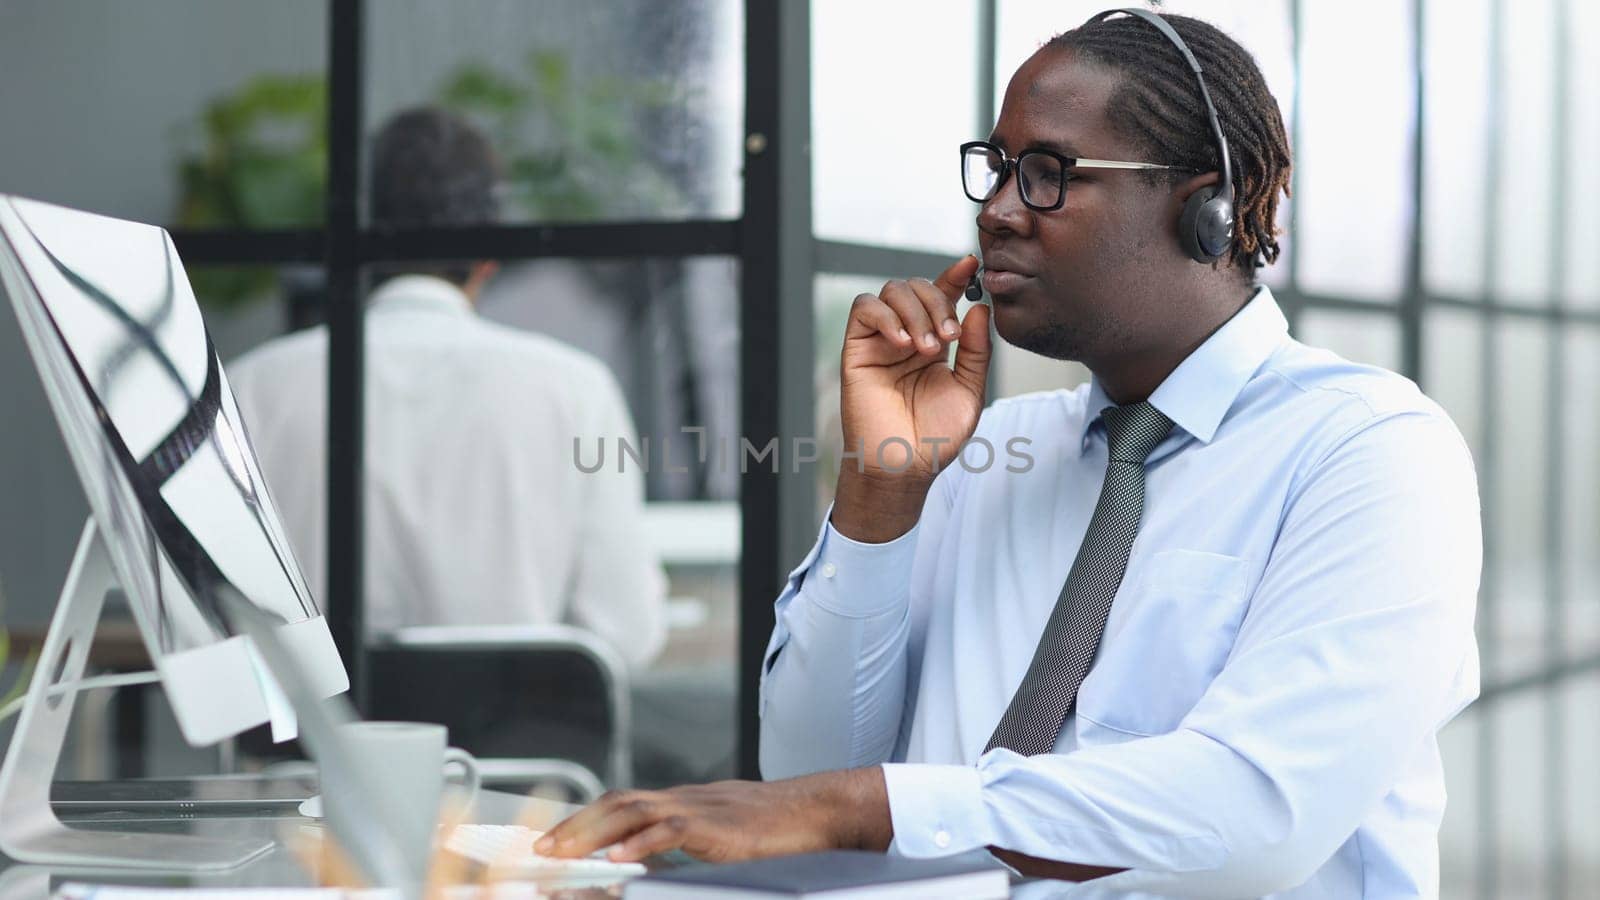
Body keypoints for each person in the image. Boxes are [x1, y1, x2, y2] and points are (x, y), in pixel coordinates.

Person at [536, 10, 1480, 896]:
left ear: (1206, 211)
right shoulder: (996, 451)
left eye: (1048, 172)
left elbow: (1258, 811)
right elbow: (803, 773)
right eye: (995, 168)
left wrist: (860, 806)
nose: (997, 211)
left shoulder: (1370, 456)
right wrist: (879, 496)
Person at [229, 107, 667, 668]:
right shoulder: (578, 391)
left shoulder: (252, 387)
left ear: (352, 236)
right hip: (522, 752)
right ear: (489, 257)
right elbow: (625, 633)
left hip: (313, 751)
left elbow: (222, 626)